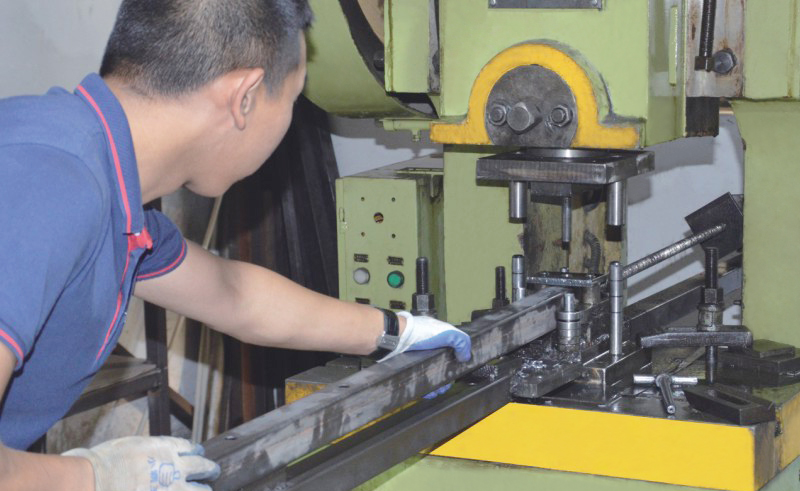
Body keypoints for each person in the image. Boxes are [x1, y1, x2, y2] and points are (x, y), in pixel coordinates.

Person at [0, 1, 471, 490]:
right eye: (292, 100)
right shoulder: (49, 181)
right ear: (244, 97)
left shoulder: (109, 193)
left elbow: (233, 295)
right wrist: (94, 478)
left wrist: (395, 332)